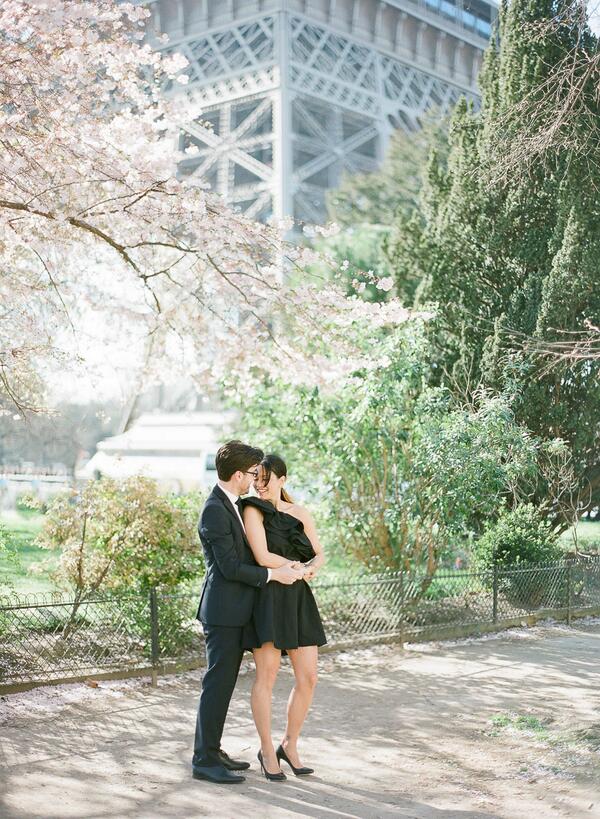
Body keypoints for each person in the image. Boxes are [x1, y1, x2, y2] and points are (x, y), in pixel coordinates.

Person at [192, 441, 304, 785]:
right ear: (239, 474)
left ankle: (213, 749)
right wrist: (274, 573)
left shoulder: (234, 505)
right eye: (254, 473)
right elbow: (228, 567)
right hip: (223, 612)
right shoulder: (214, 509)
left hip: (239, 611)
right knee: (217, 684)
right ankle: (203, 760)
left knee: (224, 685)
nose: (256, 478)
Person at [241, 454, 326, 781]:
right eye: (256, 478)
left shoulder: (300, 513)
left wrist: (312, 567)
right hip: (269, 596)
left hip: (298, 597)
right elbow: (261, 556)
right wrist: (296, 568)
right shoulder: (252, 508)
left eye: (265, 479)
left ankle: (288, 745)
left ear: (282, 480)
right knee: (268, 676)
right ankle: (266, 750)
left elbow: (319, 552)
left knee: (309, 678)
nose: (259, 485)